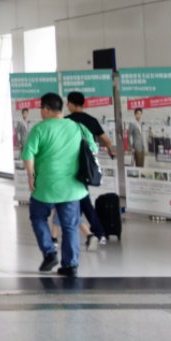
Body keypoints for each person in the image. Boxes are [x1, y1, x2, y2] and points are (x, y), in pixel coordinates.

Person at [22, 92, 96, 278]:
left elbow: (28, 154)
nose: (41, 112)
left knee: (38, 217)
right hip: (72, 187)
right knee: (70, 225)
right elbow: (93, 149)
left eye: (41, 108)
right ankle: (70, 265)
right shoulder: (78, 127)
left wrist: (31, 176)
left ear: (46, 109)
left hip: (45, 187)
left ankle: (49, 252)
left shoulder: (39, 129)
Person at [65, 92, 117, 249]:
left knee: (82, 200)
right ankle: (91, 232)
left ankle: (97, 233)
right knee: (80, 199)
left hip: (71, 165)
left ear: (71, 104)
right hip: (87, 165)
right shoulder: (91, 120)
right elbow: (106, 140)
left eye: (68, 103)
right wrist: (111, 150)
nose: (67, 105)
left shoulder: (66, 121)